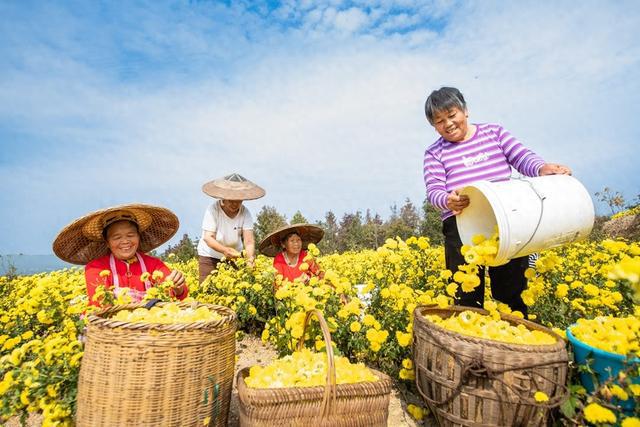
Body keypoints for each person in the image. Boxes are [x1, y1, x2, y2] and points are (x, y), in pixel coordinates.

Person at [422, 87, 571, 315]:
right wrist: (447, 200)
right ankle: (471, 346)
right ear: (434, 126)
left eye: (452, 115)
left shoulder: (494, 133)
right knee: (465, 298)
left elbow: (522, 157)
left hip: (507, 221)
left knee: (511, 294)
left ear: (465, 110)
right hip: (460, 227)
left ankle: (517, 345)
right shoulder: (434, 152)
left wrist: (542, 168)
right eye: (439, 121)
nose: (448, 124)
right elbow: (434, 191)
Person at [53, 204, 188, 307]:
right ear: (107, 242)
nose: (125, 241)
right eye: (117, 237)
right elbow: (100, 303)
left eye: (130, 235)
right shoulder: (96, 268)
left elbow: (175, 295)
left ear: (139, 237)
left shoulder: (154, 265)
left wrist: (178, 287)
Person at [197, 173, 265, 283]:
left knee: (234, 290)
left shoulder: (245, 212)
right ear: (223, 198)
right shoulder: (213, 210)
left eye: (238, 201)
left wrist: (250, 258)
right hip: (210, 256)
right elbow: (208, 238)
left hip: (234, 257)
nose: (235, 204)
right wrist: (225, 250)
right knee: (207, 290)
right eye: (231, 201)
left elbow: (249, 240)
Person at [259, 223, 325, 286]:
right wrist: (296, 285)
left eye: (298, 240)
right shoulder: (279, 259)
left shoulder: (306, 256)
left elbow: (320, 275)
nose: (296, 244)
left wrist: (310, 280)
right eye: (292, 240)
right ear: (283, 244)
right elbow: (277, 283)